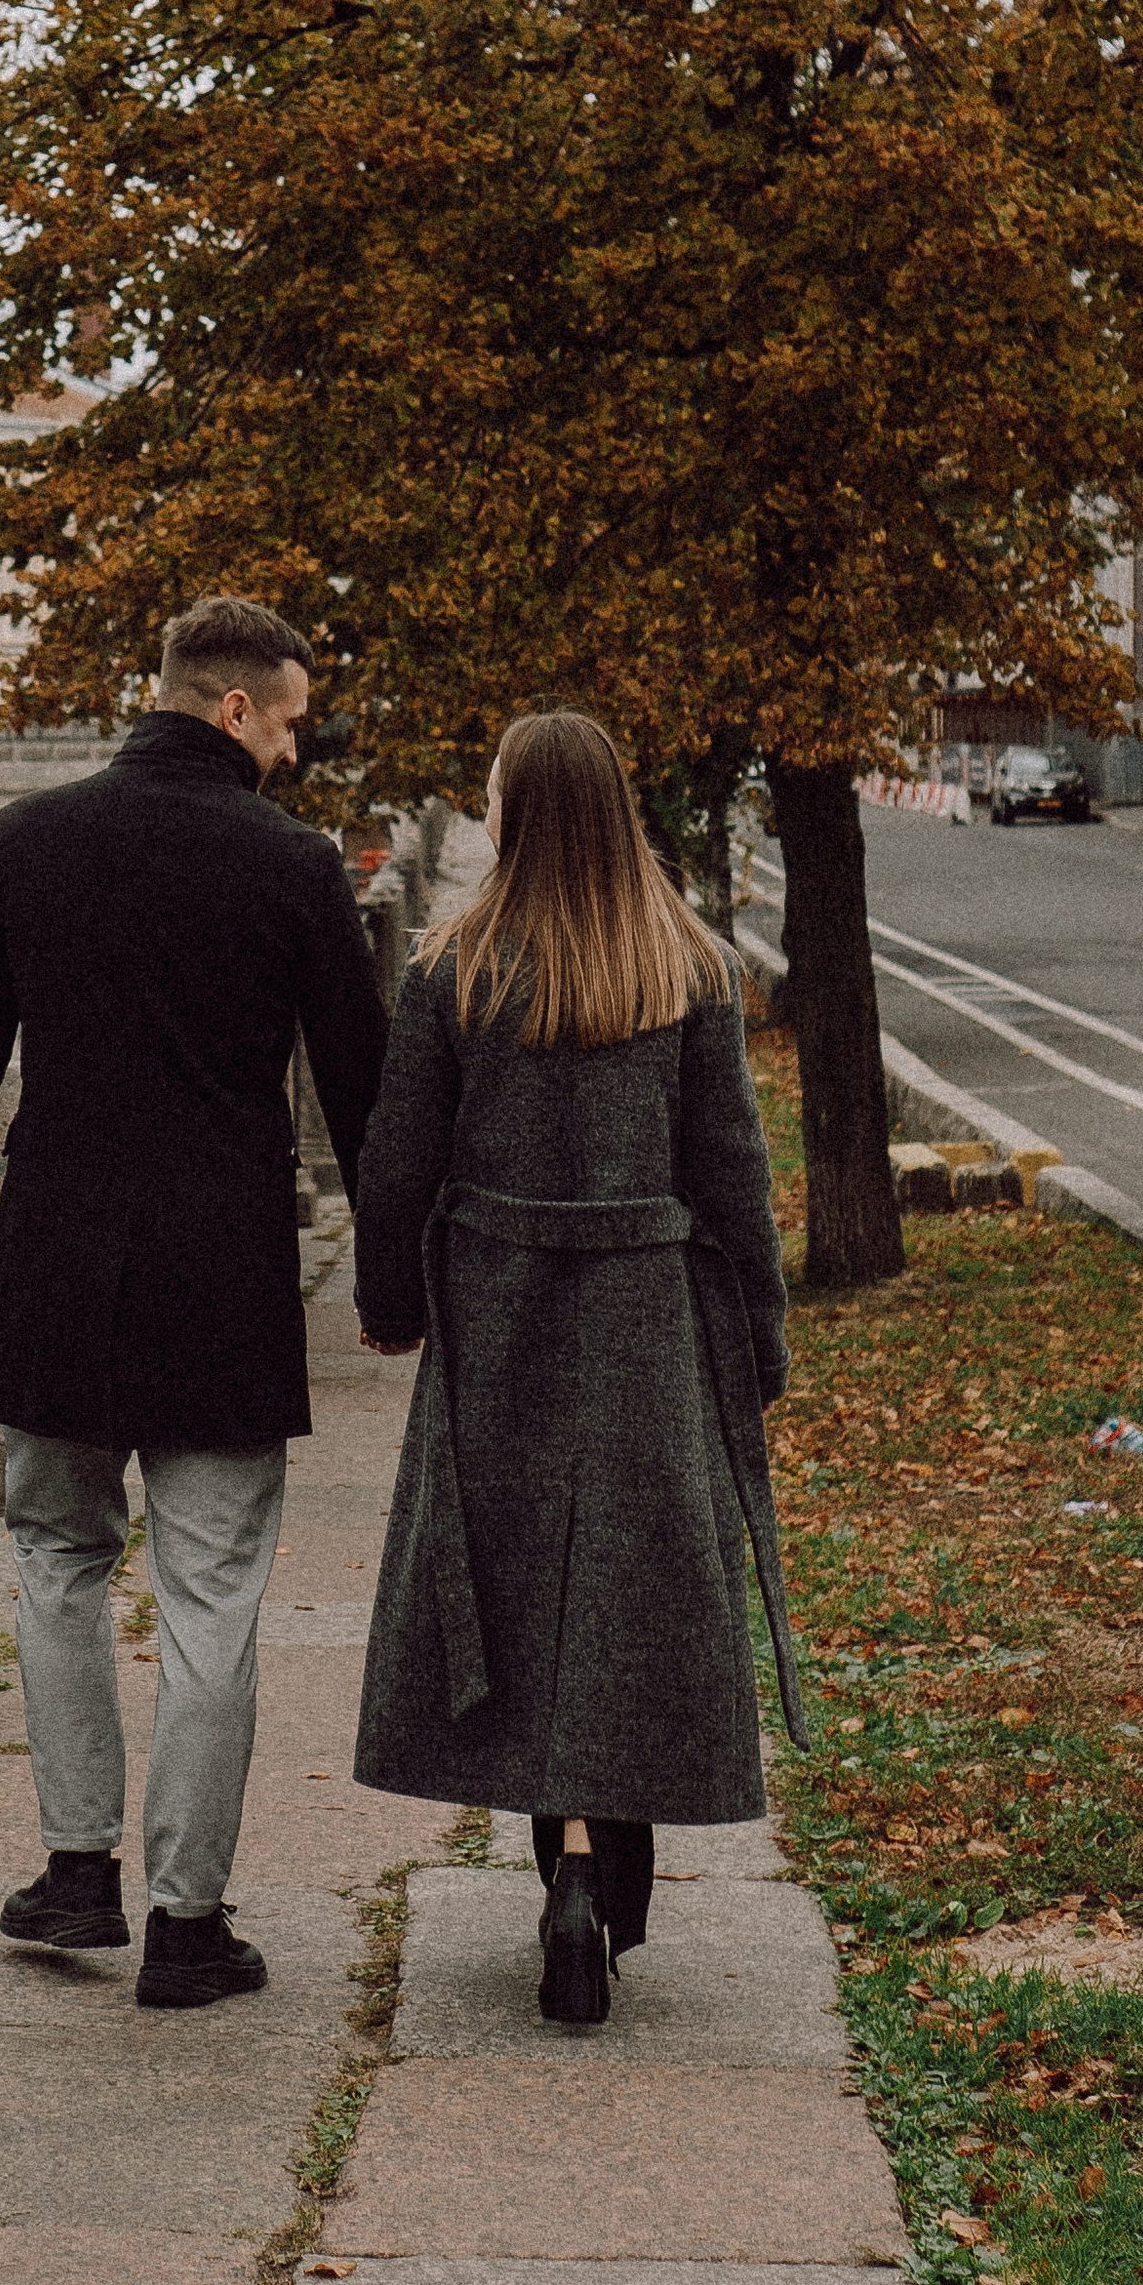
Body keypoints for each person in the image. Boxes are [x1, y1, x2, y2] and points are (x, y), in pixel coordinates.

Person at [0, 595, 389, 2008]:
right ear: (236, 708)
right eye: (293, 722)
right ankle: (189, 1925)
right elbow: (365, 1094)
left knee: (58, 1566)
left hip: (57, 1262)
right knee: (211, 1596)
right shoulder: (296, 866)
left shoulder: (29, 836)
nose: (298, 752)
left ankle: (76, 1876)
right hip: (223, 1279)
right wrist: (393, 1275)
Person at [349, 709, 808, 2025]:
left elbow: (395, 1159)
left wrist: (391, 1305)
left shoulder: (455, 967)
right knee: (619, 1598)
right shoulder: (690, 972)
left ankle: (562, 1866)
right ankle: (601, 1871)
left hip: (499, 1313)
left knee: (518, 1594)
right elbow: (733, 1173)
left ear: (514, 814)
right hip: (649, 1320)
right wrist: (759, 1341)